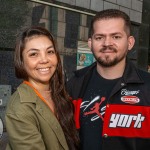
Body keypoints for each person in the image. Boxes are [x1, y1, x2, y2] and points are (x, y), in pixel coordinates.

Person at [67, 9, 150, 150]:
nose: (107, 43)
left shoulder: (148, 87)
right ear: (90, 43)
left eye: (116, 37)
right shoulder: (74, 84)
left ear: (130, 43)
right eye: (99, 37)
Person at [5, 26, 79, 150]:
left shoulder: (60, 93)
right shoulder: (20, 108)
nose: (44, 60)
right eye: (34, 54)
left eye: (50, 52)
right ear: (21, 61)